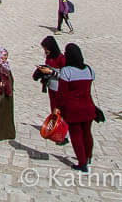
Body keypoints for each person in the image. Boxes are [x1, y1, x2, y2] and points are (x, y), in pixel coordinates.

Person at [40, 43, 96, 172]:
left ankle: (82, 163)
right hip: (88, 106)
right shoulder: (89, 70)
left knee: (76, 135)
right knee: (87, 133)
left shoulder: (67, 71)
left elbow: (62, 93)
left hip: (73, 109)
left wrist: (58, 108)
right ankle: (88, 157)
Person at [35, 36, 66, 114]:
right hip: (51, 87)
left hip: (59, 89)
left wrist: (51, 72)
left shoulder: (61, 58)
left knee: (59, 109)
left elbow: (64, 76)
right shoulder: (49, 57)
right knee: (53, 107)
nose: (45, 51)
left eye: (46, 49)